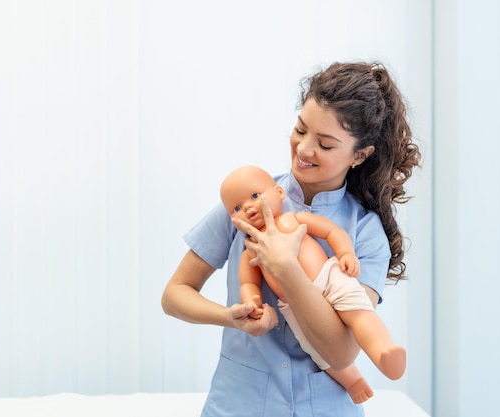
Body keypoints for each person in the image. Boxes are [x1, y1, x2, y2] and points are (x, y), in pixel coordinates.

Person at [162, 61, 421, 417]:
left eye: (325, 145)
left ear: (359, 155)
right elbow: (175, 295)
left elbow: (342, 352)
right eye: (300, 130)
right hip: (239, 404)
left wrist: (285, 267)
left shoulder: (364, 229)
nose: (304, 149)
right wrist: (230, 317)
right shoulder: (246, 203)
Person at [220, 165, 406, 404]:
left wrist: (346, 252)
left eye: (255, 196)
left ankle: (383, 352)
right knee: (315, 349)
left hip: (329, 277)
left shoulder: (292, 220)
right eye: (236, 208)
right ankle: (352, 381)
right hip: (295, 304)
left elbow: (331, 231)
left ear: (279, 192)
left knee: (358, 312)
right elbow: (247, 281)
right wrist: (251, 300)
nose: (247, 207)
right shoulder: (250, 249)